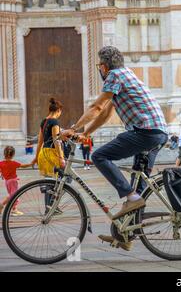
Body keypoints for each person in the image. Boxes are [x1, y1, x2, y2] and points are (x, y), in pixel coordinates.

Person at [61, 46, 168, 251]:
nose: (99, 70)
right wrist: (85, 134)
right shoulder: (126, 74)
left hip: (145, 132)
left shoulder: (114, 76)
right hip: (157, 133)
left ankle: (132, 198)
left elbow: (96, 107)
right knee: (137, 188)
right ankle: (126, 235)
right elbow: (105, 114)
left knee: (100, 156)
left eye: (99, 66)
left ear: (103, 66)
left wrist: (73, 128)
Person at [31, 98, 65, 177]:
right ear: (58, 110)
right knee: (59, 182)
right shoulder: (55, 122)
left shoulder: (43, 121)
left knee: (48, 183)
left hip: (43, 154)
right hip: (52, 154)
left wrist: (36, 157)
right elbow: (56, 140)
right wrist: (61, 157)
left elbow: (40, 141)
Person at [0, 146, 33, 216]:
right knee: (14, 195)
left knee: (12, 195)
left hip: (7, 182)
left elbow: (1, 170)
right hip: (13, 181)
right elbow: (23, 166)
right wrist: (31, 164)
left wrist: (2, 173)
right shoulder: (14, 163)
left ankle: (13, 208)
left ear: (4, 154)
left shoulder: (1, 163)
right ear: (13, 154)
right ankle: (5, 205)